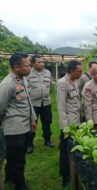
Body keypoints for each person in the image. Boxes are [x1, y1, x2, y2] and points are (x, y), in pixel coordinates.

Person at [0, 52, 36, 190]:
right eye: (27, 65)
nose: (30, 68)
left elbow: (27, 101)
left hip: (24, 126)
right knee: (18, 160)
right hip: (14, 129)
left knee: (14, 157)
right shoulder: (7, 84)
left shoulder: (21, 79)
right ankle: (20, 185)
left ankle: (9, 176)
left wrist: (32, 118)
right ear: (16, 67)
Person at [56, 60, 82, 187]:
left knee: (73, 148)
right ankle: (65, 176)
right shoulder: (62, 83)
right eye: (79, 71)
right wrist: (65, 128)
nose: (81, 74)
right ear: (71, 71)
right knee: (65, 150)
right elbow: (61, 108)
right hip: (69, 125)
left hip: (76, 122)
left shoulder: (74, 81)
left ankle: (72, 171)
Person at [27, 55, 55, 154]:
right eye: (39, 62)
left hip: (46, 102)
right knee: (32, 123)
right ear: (33, 63)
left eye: (43, 62)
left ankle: (47, 140)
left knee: (47, 122)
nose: (42, 64)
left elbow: (49, 85)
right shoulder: (28, 73)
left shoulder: (47, 72)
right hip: (33, 103)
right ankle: (29, 144)